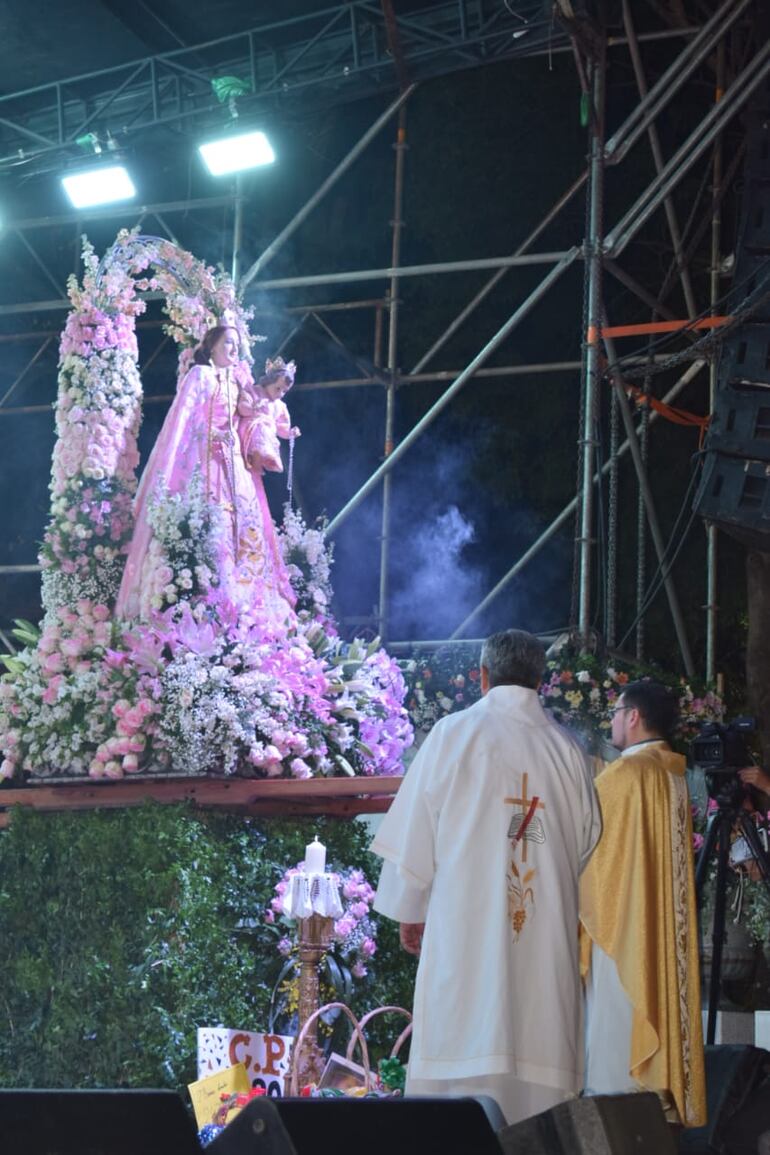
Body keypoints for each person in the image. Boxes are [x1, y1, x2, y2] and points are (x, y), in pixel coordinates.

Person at [370, 629, 601, 1126]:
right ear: (541, 680)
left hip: (464, 961)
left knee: (455, 1118)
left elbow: (414, 837)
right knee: (540, 1119)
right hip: (544, 971)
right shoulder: (569, 752)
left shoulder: (453, 735)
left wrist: (411, 912)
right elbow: (585, 845)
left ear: (482, 677)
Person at [579, 680, 707, 1129]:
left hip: (621, 931)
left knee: (613, 1046)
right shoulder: (670, 773)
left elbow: (587, 854)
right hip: (657, 932)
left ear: (633, 716)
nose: (611, 720)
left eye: (616, 711)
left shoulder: (624, 776)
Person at [116, 325, 296, 628]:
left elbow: (256, 413)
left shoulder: (238, 380)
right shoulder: (201, 375)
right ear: (212, 345)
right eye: (228, 342)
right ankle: (206, 600)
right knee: (211, 526)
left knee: (246, 528)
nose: (233, 349)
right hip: (205, 461)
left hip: (234, 465)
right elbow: (183, 418)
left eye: (237, 344)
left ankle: (246, 606)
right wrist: (206, 437)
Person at [238, 356, 300, 474]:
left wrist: (290, 433)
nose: (280, 394)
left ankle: (259, 463)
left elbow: (281, 427)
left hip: (268, 434)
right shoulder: (255, 391)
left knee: (267, 435)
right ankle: (256, 461)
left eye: (284, 391)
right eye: (278, 388)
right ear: (269, 382)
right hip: (251, 427)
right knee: (261, 431)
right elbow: (242, 408)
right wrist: (253, 408)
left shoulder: (280, 406)